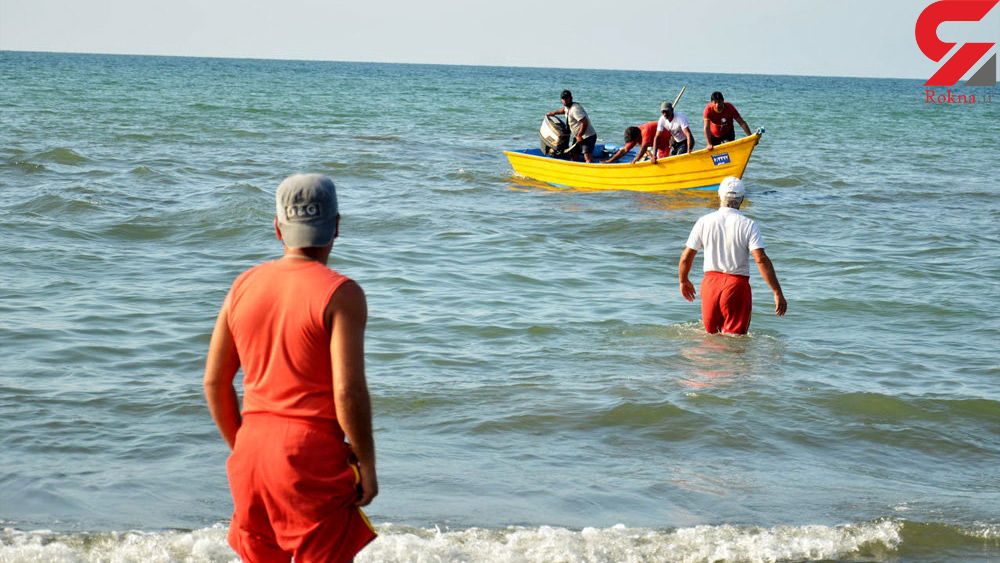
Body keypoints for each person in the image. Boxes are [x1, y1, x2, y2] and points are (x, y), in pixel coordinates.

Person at [204, 173, 378, 563]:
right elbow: (347, 392)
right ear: (336, 225)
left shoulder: (243, 285)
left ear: (277, 228)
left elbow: (215, 382)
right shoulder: (341, 292)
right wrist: (367, 464)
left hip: (250, 454)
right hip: (308, 460)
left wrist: (244, 447)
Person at [678, 176, 786, 334]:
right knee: (735, 344)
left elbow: (686, 256)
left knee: (710, 339)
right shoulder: (749, 225)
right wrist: (777, 292)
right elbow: (761, 259)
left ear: (719, 196)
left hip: (710, 285)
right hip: (736, 285)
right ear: (742, 199)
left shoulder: (703, 221)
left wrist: (683, 280)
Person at [545, 90, 598, 163]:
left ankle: (591, 171)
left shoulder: (575, 109)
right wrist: (553, 113)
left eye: (567, 98)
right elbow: (564, 110)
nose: (565, 100)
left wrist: (579, 135)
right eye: (563, 99)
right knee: (573, 155)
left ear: (571, 98)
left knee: (587, 156)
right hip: (578, 136)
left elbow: (584, 122)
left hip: (587, 136)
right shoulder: (567, 107)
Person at [603, 121, 670, 164]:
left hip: (667, 142)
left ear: (638, 137)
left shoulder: (645, 131)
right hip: (658, 146)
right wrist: (610, 161)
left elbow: (644, 148)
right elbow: (624, 150)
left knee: (663, 161)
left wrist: (636, 160)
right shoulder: (634, 135)